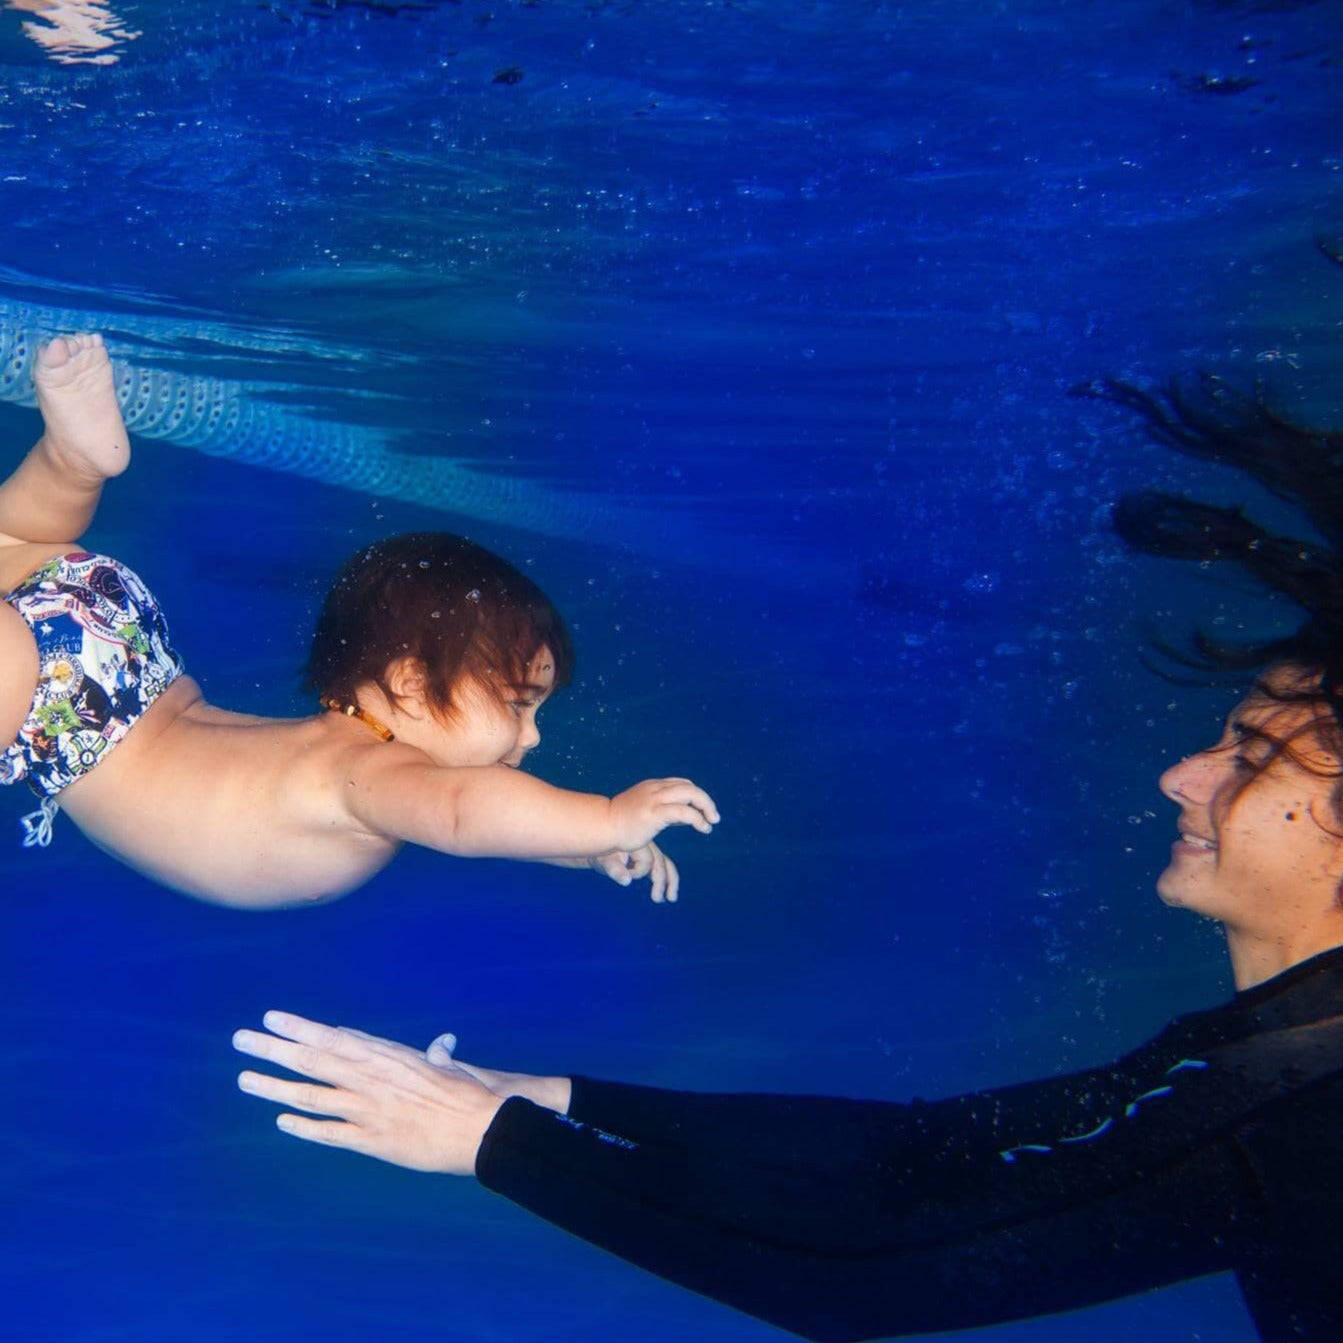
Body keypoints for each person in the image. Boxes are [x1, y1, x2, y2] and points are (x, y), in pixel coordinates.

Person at [233, 376, 1343, 1342]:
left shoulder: (1305, 1101)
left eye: (1247, 755)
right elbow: (913, 1154)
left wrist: (488, 1140)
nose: (1180, 775)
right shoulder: (1281, 1046)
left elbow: (870, 1271)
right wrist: (543, 1098)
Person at [0, 333, 718, 906]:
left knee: (19, 542)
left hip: (118, 645)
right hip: (68, 705)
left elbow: (488, 814)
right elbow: (463, 813)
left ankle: (72, 464)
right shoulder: (360, 773)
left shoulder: (343, 752)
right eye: (517, 704)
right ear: (408, 684)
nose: (531, 736)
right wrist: (603, 816)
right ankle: (71, 459)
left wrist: (577, 845)